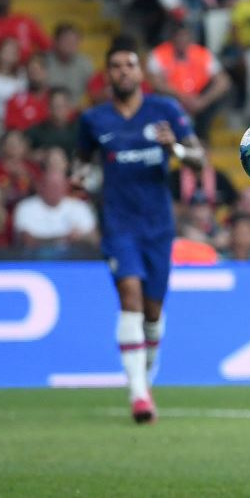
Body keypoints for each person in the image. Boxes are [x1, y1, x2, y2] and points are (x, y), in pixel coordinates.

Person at [74, 38, 206, 424]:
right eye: (116, 66)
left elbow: (198, 158)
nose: (123, 72)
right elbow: (82, 161)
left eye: (129, 65)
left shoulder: (164, 111)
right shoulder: (94, 119)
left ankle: (144, 373)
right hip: (118, 223)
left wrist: (175, 149)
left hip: (158, 224)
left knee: (153, 312)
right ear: (108, 74)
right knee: (129, 297)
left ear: (140, 72)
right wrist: (78, 178)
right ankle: (138, 396)